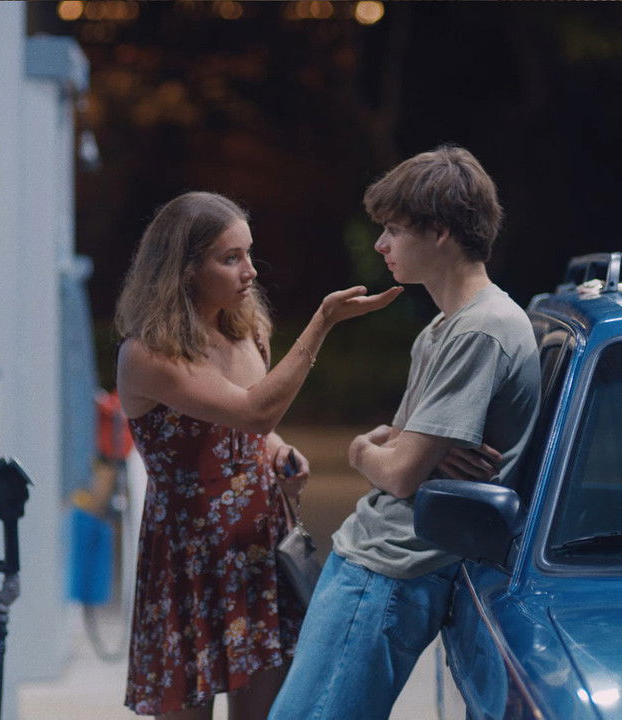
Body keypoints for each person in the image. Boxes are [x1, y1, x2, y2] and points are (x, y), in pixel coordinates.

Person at [268, 145, 541, 720]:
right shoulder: (444, 329)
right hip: (374, 561)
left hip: (389, 570)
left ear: (439, 232)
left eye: (393, 229)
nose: (380, 245)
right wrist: (391, 452)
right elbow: (402, 453)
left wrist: (363, 449)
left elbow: (398, 468)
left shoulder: (482, 330)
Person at [115, 191, 403, 719]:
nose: (249, 270)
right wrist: (322, 323)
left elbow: (252, 431)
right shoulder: (148, 353)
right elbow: (253, 412)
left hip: (257, 545)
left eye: (249, 253)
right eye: (230, 258)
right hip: (191, 552)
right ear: (183, 269)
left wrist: (276, 452)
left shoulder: (242, 325)